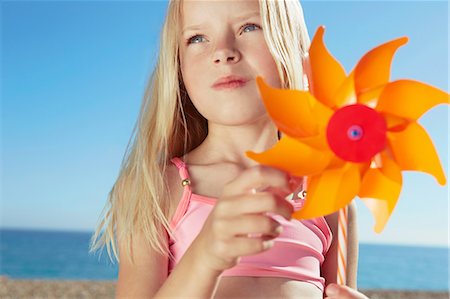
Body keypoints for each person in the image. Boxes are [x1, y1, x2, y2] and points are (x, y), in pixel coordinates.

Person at [90, 0, 370, 298]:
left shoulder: (330, 199)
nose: (223, 52)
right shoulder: (155, 188)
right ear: (178, 66)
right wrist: (205, 255)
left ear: (296, 53)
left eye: (249, 27)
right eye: (197, 38)